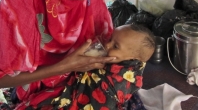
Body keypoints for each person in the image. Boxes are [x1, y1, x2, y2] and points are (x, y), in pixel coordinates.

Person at [25, 24, 156, 109]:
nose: (107, 45)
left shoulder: (124, 76)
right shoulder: (116, 58)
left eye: (115, 46)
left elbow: (105, 93)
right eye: (110, 39)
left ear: (133, 59)